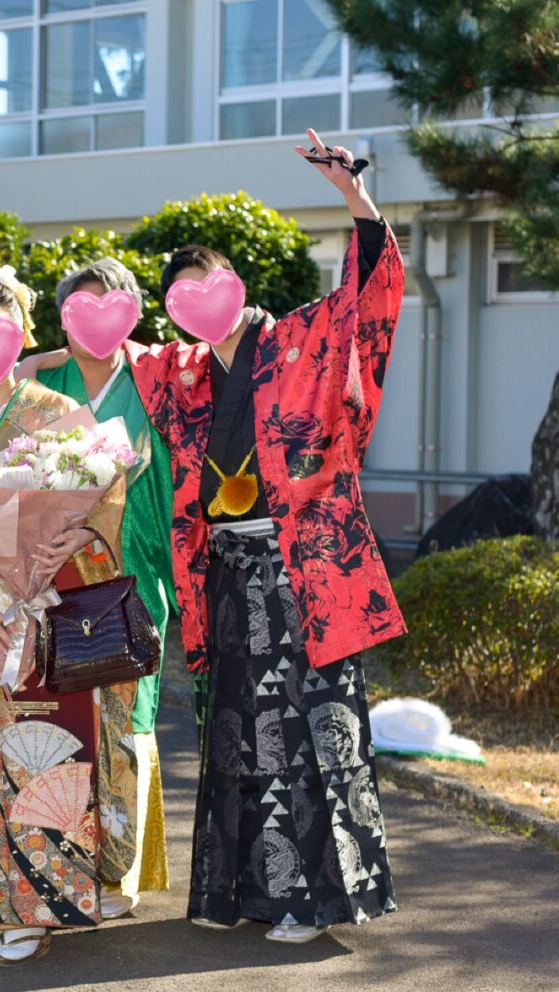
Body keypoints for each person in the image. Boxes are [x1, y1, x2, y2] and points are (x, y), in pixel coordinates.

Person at [120, 130, 402, 944]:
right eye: (181, 299)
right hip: (229, 573)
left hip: (303, 569)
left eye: (205, 287)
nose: (197, 305)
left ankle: (312, 902)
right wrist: (24, 368)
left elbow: (370, 304)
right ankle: (244, 892)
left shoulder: (306, 340)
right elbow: (107, 355)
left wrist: (354, 197)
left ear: (236, 287)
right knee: (238, 733)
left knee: (311, 732)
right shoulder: (181, 374)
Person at [0, 266, 141, 966]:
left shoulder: (59, 413)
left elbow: (106, 497)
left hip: (52, 601)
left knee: (52, 753)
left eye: (0, 333)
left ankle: (40, 906)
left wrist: (80, 534)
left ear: (20, 337)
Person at [18, 258, 176, 917]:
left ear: (133, 315)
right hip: (53, 569)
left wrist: (100, 528)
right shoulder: (41, 381)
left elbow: (169, 480)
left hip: (131, 564)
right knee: (65, 715)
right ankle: (62, 859)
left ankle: (119, 871)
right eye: (80, 309)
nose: (96, 323)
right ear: (62, 317)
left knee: (127, 714)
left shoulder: (154, 381)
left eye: (111, 307)